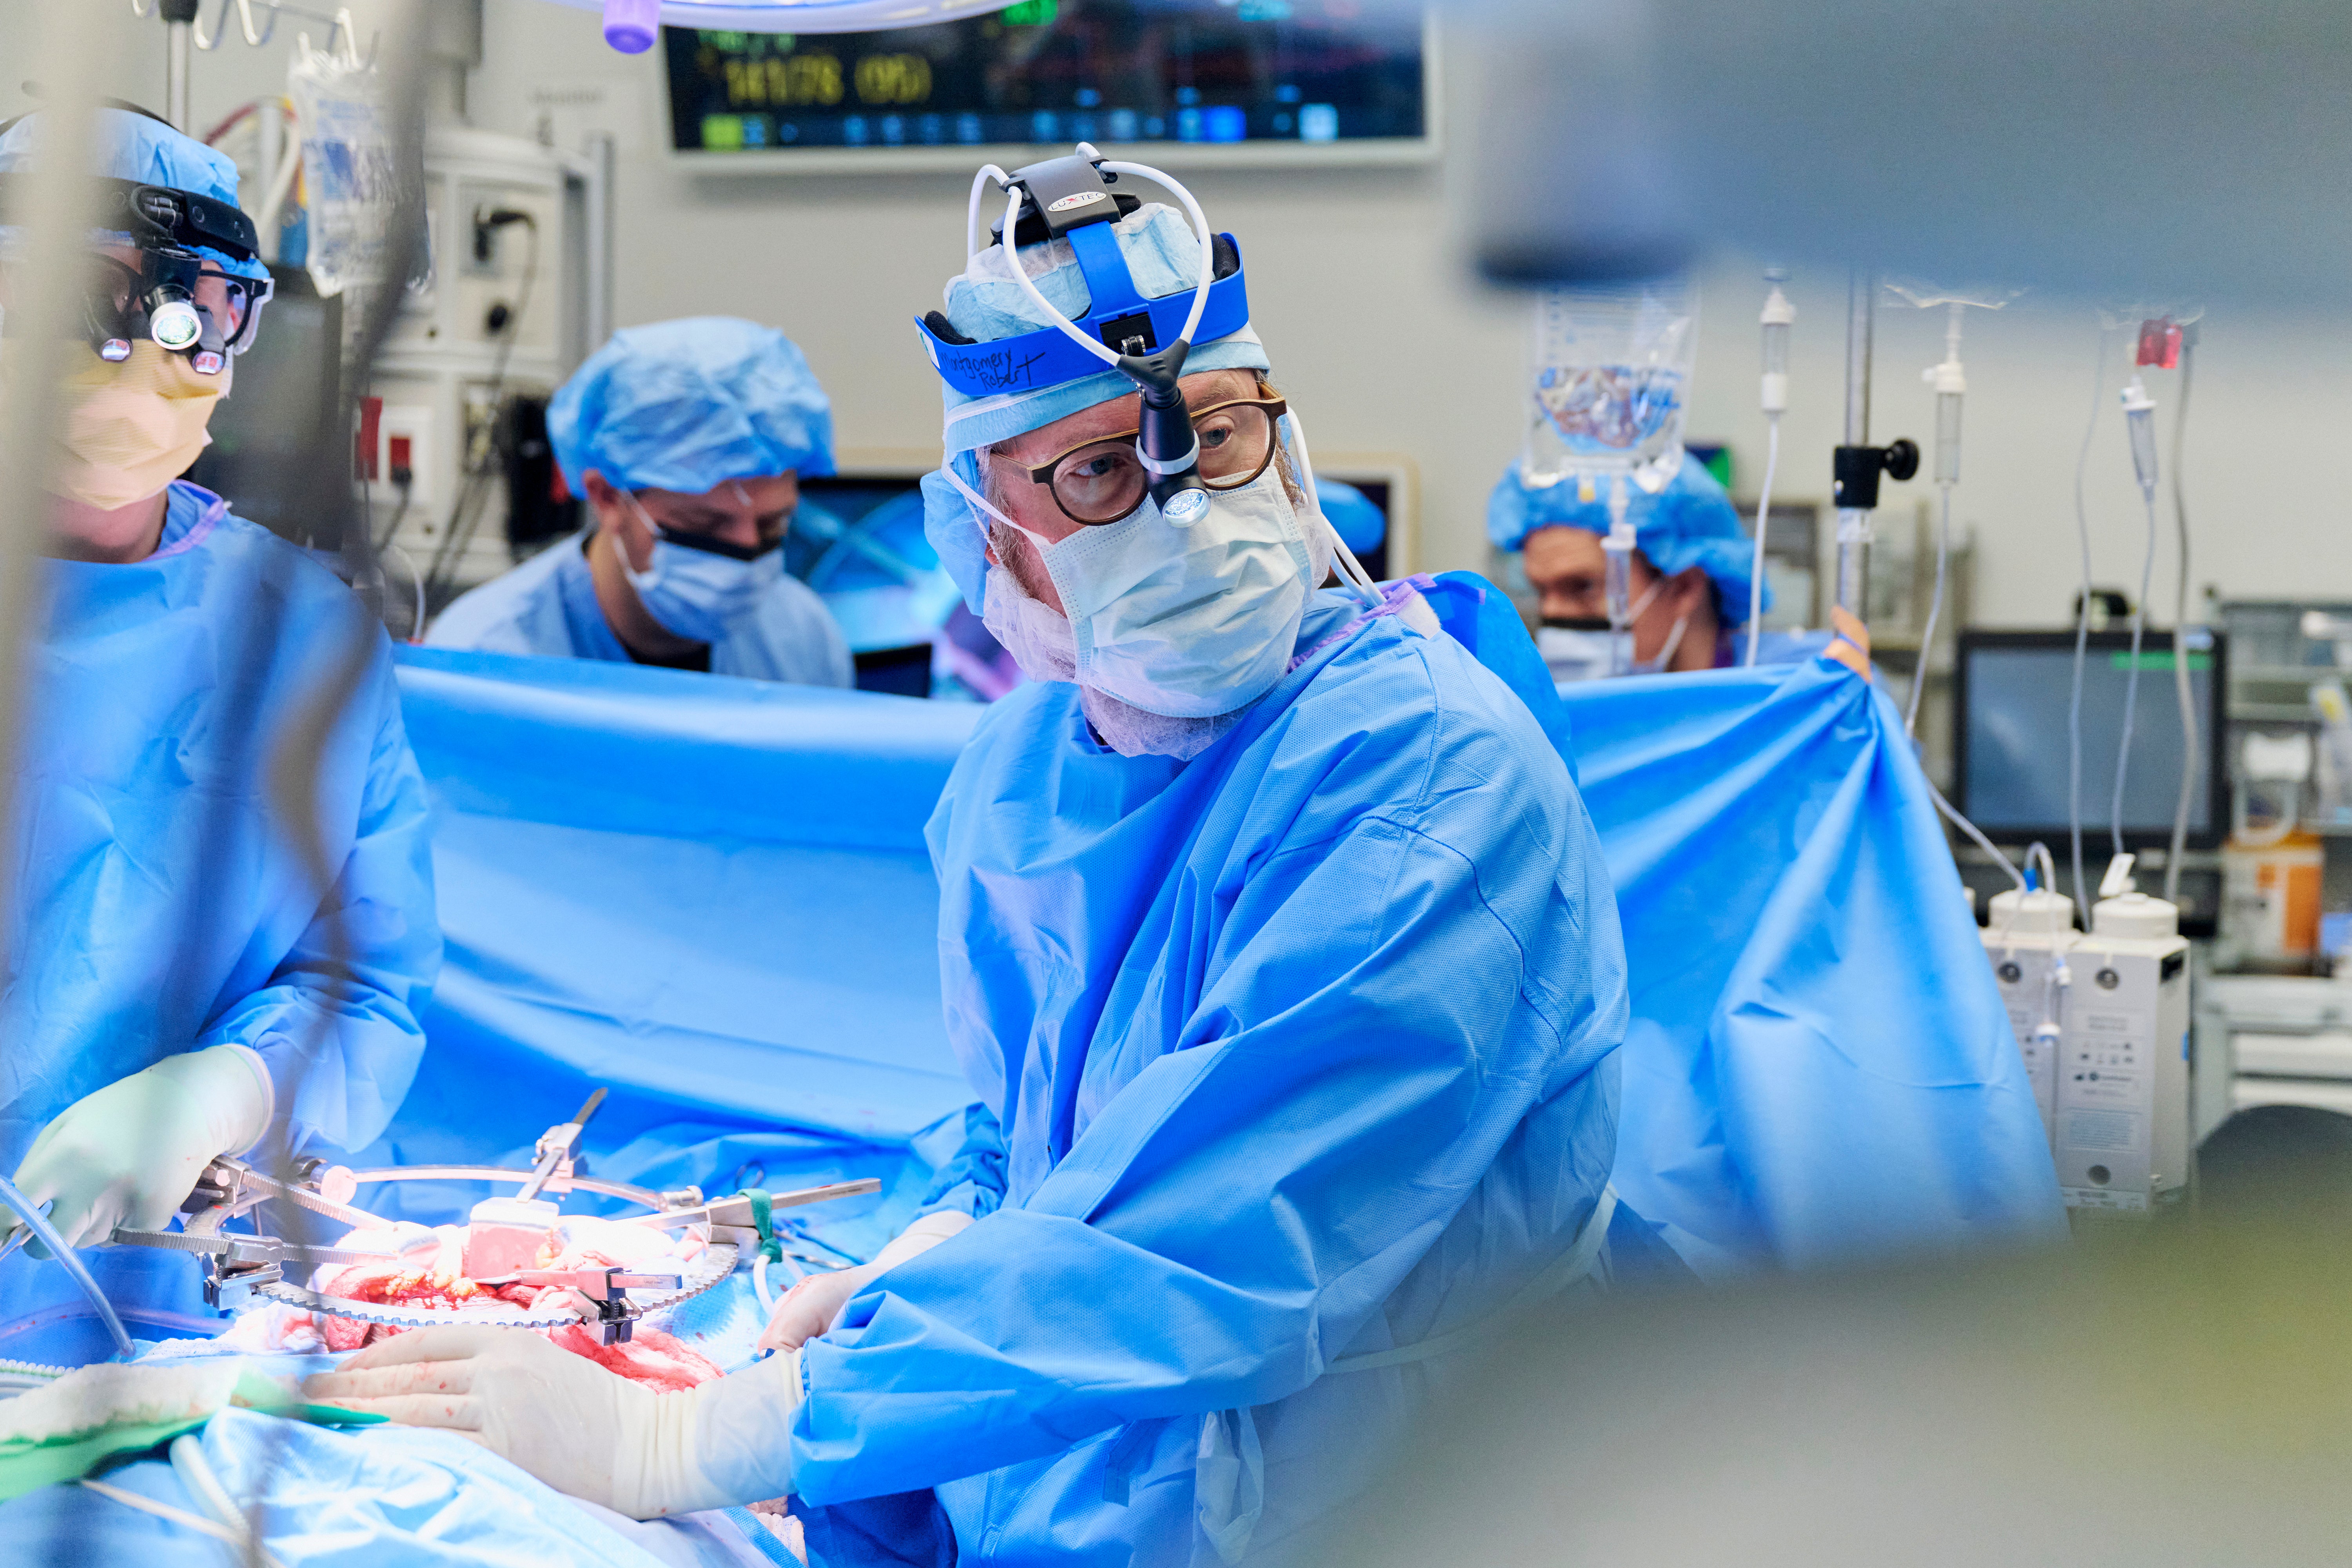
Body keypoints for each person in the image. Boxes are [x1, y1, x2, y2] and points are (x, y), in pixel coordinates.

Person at [309, 159, 1634, 1565]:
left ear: (1290, 446)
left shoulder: (1427, 774)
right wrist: (939, 1229)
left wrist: (689, 1435)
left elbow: (1219, 1234)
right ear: (980, 529)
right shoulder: (1025, 779)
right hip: (1104, 1460)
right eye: (1095, 470)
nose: (1182, 508)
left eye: (1219, 432)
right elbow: (1037, 1133)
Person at [0, 108, 439, 1314]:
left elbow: (361, 979)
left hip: (165, 1288)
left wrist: (228, 1085)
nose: (148, 348)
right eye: (95, 297)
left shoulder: (299, 635)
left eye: (196, 310)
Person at [428, 317, 853, 687]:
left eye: (773, 524)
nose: (745, 553)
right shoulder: (485, 662)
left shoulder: (803, 641)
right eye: (704, 526)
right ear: (608, 497)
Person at [1488, 451, 1798, 682]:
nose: (1553, 613)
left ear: (1684, 586)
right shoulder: (1552, 728)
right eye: (1541, 592)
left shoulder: (1786, 702)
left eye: (1583, 586)